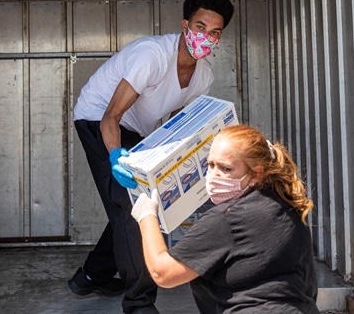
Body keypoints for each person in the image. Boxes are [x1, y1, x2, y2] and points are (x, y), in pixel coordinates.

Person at [69, 0, 235, 314]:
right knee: (131, 200)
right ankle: (138, 304)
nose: (207, 37)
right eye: (200, 27)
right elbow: (110, 118)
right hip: (97, 119)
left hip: (137, 130)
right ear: (185, 24)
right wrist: (116, 157)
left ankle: (91, 275)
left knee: (138, 200)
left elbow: (176, 127)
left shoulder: (203, 76)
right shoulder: (152, 56)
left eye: (215, 32)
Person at [130, 125, 320, 314]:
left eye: (226, 168)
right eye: (210, 165)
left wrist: (147, 216)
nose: (214, 175)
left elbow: (162, 273)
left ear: (256, 173)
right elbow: (308, 283)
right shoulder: (289, 205)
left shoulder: (226, 220)